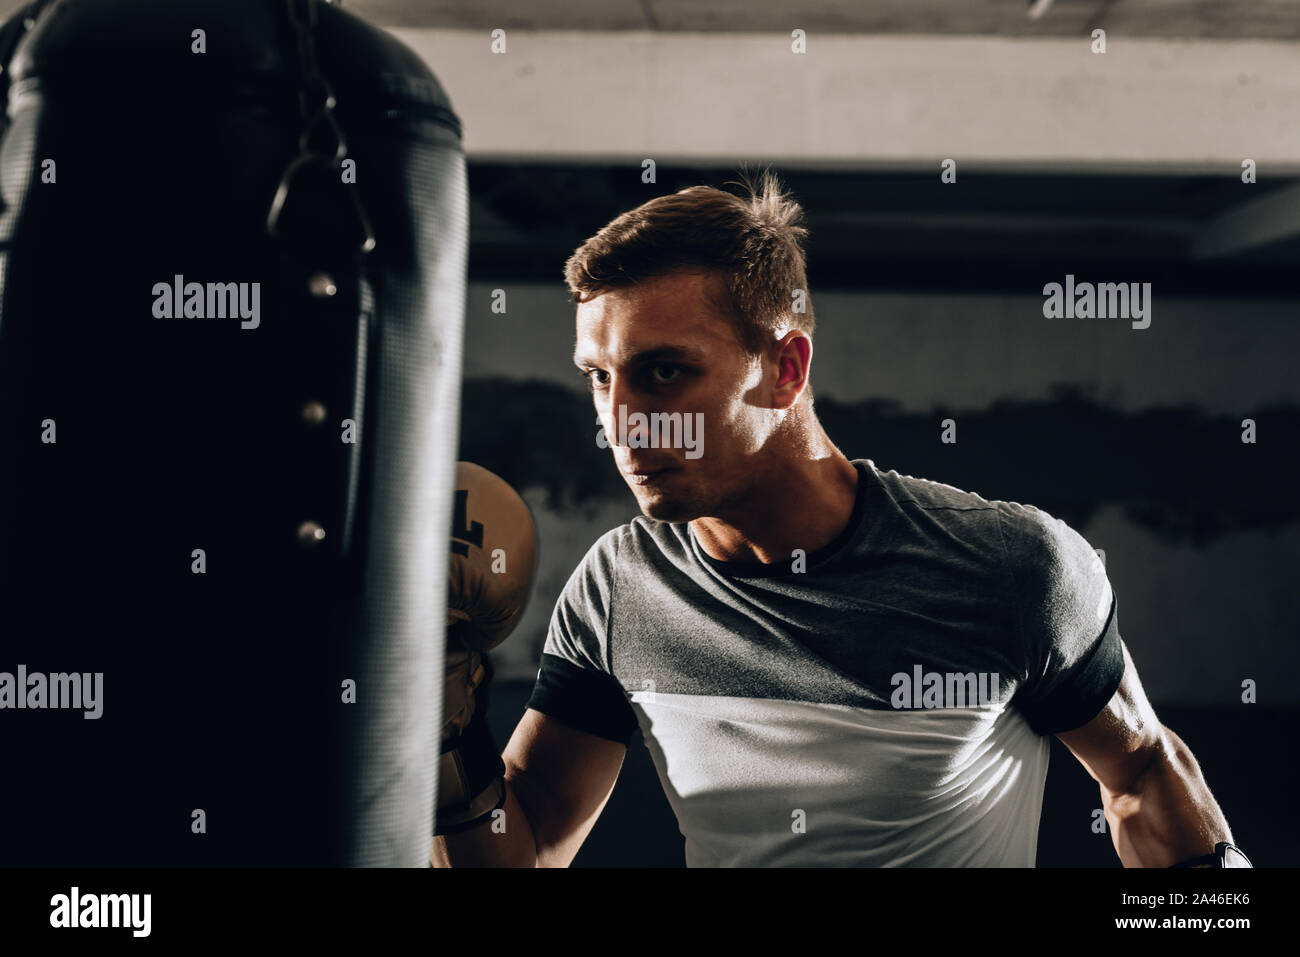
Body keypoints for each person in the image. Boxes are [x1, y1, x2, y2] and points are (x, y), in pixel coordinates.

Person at [432, 170, 1245, 868]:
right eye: (598, 378)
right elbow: (529, 844)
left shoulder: (1008, 568)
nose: (621, 422)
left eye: (664, 371)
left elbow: (1140, 772)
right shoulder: (620, 588)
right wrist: (449, 730)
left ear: (784, 370)